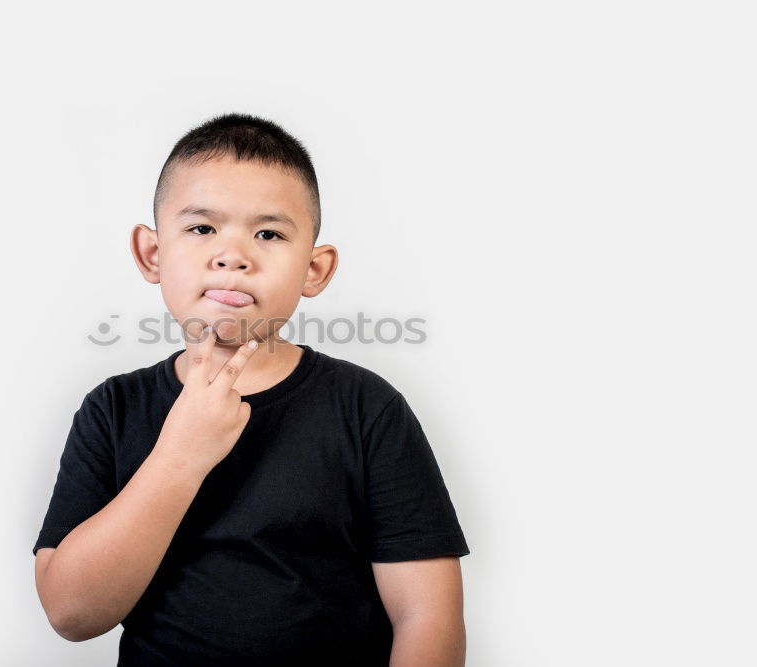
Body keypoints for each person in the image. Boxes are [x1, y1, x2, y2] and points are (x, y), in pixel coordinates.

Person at [32, 112, 470, 666]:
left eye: (268, 233)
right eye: (201, 228)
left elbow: (427, 615)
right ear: (152, 253)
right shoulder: (112, 411)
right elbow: (72, 613)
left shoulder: (367, 409)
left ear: (315, 269)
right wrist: (180, 457)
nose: (233, 256)